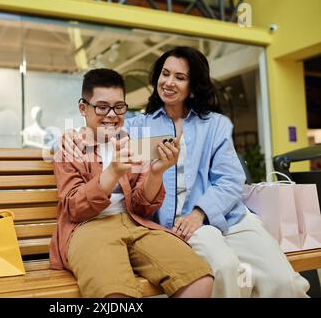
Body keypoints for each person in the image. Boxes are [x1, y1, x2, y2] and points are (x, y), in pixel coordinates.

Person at [61, 47, 310, 298]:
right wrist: (76, 135)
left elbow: (232, 179)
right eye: (165, 74)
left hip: (229, 216)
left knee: (283, 282)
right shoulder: (138, 125)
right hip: (179, 225)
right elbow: (103, 122)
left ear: (193, 86)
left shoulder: (214, 125)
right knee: (226, 269)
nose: (169, 82)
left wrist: (200, 212)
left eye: (179, 77)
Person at [50, 68, 213, 298]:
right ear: (83, 108)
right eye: (102, 107)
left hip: (136, 223)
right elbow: (75, 209)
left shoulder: (130, 142)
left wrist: (156, 173)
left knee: (199, 280)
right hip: (87, 228)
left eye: (119, 107)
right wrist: (112, 173)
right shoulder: (70, 146)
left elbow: (142, 208)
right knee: (115, 294)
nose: (111, 114)